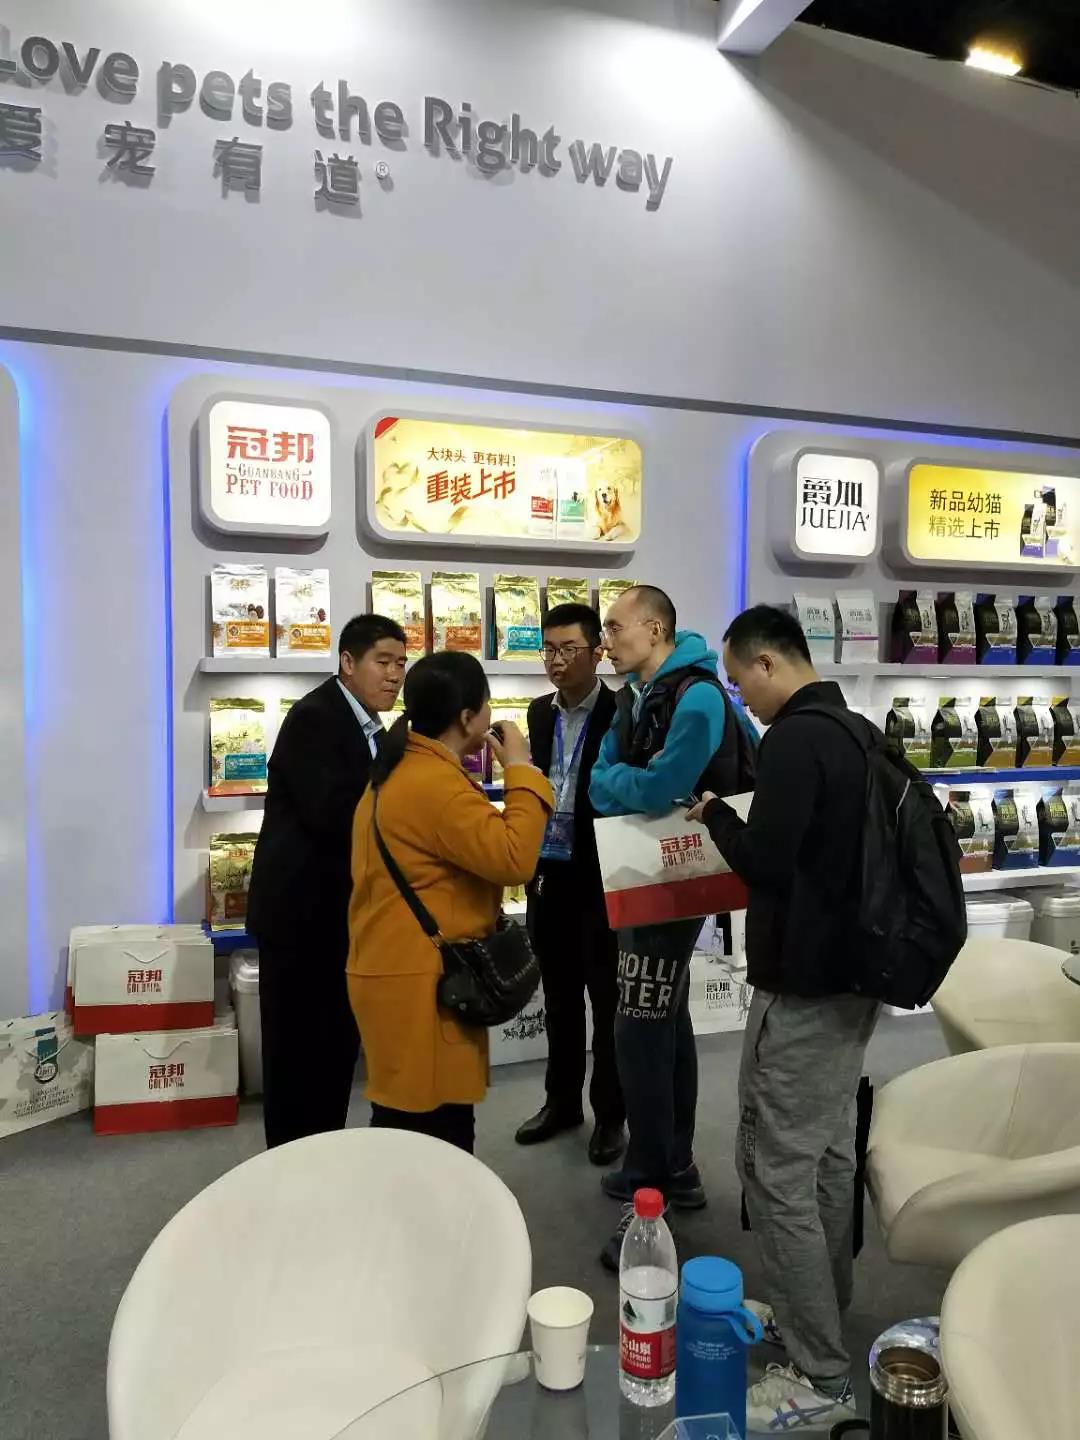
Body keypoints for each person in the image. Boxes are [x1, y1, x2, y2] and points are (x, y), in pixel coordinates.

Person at [687, 604, 877, 1432]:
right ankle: (817, 1316)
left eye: (740, 682)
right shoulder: (857, 731)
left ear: (768, 663)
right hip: (851, 982)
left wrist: (716, 815)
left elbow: (767, 863)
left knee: (776, 1170)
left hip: (801, 988)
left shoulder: (796, 741)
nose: (742, 699)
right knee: (828, 1157)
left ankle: (822, 1374)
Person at [590, 584, 756, 1270]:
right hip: (649, 874)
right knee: (662, 1019)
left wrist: (623, 783)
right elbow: (600, 777)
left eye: (615, 627)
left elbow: (656, 786)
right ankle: (673, 1167)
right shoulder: (636, 695)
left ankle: (650, 1188)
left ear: (655, 628)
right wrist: (627, 781)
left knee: (639, 1028)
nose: (606, 640)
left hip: (673, 882)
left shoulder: (698, 697)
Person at [347, 651, 553, 1153]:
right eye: (487, 704)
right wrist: (521, 769)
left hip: (396, 968)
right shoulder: (434, 783)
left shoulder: (406, 767)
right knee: (432, 1133)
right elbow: (514, 858)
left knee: (408, 1118)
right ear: (467, 717)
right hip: (421, 981)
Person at [247, 614, 407, 1149]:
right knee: (298, 1058)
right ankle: (293, 1165)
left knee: (332, 1052)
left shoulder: (369, 725)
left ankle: (322, 1154)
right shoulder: (316, 717)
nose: (394, 675)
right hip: (302, 921)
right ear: (348, 662)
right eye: (383, 662)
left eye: (401, 664)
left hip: (339, 919)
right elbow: (335, 815)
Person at [515, 602, 626, 1166]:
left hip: (602, 875)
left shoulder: (623, 710)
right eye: (549, 650)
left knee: (607, 1003)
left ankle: (610, 1116)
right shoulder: (539, 713)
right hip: (550, 876)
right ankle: (561, 1103)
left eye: (568, 649)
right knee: (559, 1001)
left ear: (597, 652)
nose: (556, 661)